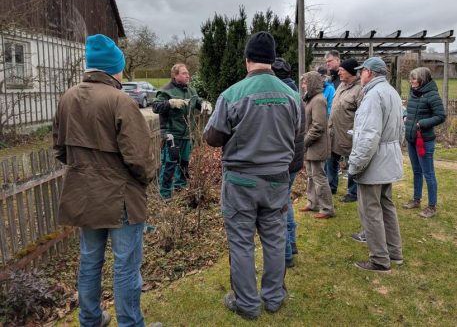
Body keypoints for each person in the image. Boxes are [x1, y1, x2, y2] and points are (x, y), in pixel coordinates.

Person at [53, 34, 161, 327]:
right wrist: (147, 178)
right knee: (126, 265)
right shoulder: (120, 100)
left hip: (83, 196)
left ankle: (90, 320)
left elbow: (59, 149)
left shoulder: (67, 98)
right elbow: (140, 158)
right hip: (120, 198)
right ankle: (130, 323)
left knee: (90, 261)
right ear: (115, 67)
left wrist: (85, 170)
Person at [204, 32, 300, 320]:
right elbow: (299, 135)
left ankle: (246, 303)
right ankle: (274, 297)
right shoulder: (293, 96)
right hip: (277, 180)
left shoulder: (232, 94)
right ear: (272, 60)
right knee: (275, 239)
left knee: (241, 242)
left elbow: (212, 137)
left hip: (240, 182)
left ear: (247, 59)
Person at [348, 57, 404, 273]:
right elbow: (398, 130)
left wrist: (355, 164)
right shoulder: (392, 92)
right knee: (386, 206)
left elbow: (369, 136)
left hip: (375, 161)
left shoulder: (373, 96)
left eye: (362, 71)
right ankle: (394, 252)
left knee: (370, 210)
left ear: (369, 72)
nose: (360, 75)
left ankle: (380, 259)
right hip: (388, 159)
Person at [152, 63, 213, 199]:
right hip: (171, 134)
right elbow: (155, 107)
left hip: (187, 134)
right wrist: (170, 103)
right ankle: (165, 195)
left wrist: (204, 103)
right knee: (169, 165)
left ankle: (180, 189)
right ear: (175, 75)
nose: (188, 76)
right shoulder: (166, 91)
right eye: (184, 73)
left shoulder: (191, 90)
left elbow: (196, 100)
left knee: (184, 164)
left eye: (188, 73)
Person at [272, 57, 305, 268]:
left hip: (284, 160)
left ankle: (285, 256)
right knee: (286, 201)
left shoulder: (281, 97)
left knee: (279, 207)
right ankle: (291, 244)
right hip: (295, 158)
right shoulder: (296, 95)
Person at [403, 67, 446, 218]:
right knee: (416, 171)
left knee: (428, 173)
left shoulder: (432, 95)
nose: (411, 81)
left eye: (414, 79)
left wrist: (422, 123)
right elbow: (410, 110)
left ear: (422, 80)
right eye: (411, 78)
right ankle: (416, 200)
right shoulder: (413, 92)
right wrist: (405, 115)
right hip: (411, 139)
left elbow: (441, 116)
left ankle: (432, 207)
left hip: (424, 141)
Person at [299, 71, 334, 219]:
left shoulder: (319, 100)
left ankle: (327, 209)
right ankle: (312, 203)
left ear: (312, 83)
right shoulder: (311, 99)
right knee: (311, 176)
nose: (303, 85)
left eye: (305, 82)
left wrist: (304, 142)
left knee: (319, 177)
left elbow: (318, 126)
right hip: (310, 145)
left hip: (316, 145)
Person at [327, 58, 362, 201]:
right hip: (334, 132)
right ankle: (331, 186)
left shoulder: (359, 89)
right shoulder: (341, 85)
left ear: (350, 72)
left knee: (352, 162)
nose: (339, 73)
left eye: (342, 70)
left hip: (349, 134)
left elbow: (362, 114)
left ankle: (353, 192)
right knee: (330, 159)